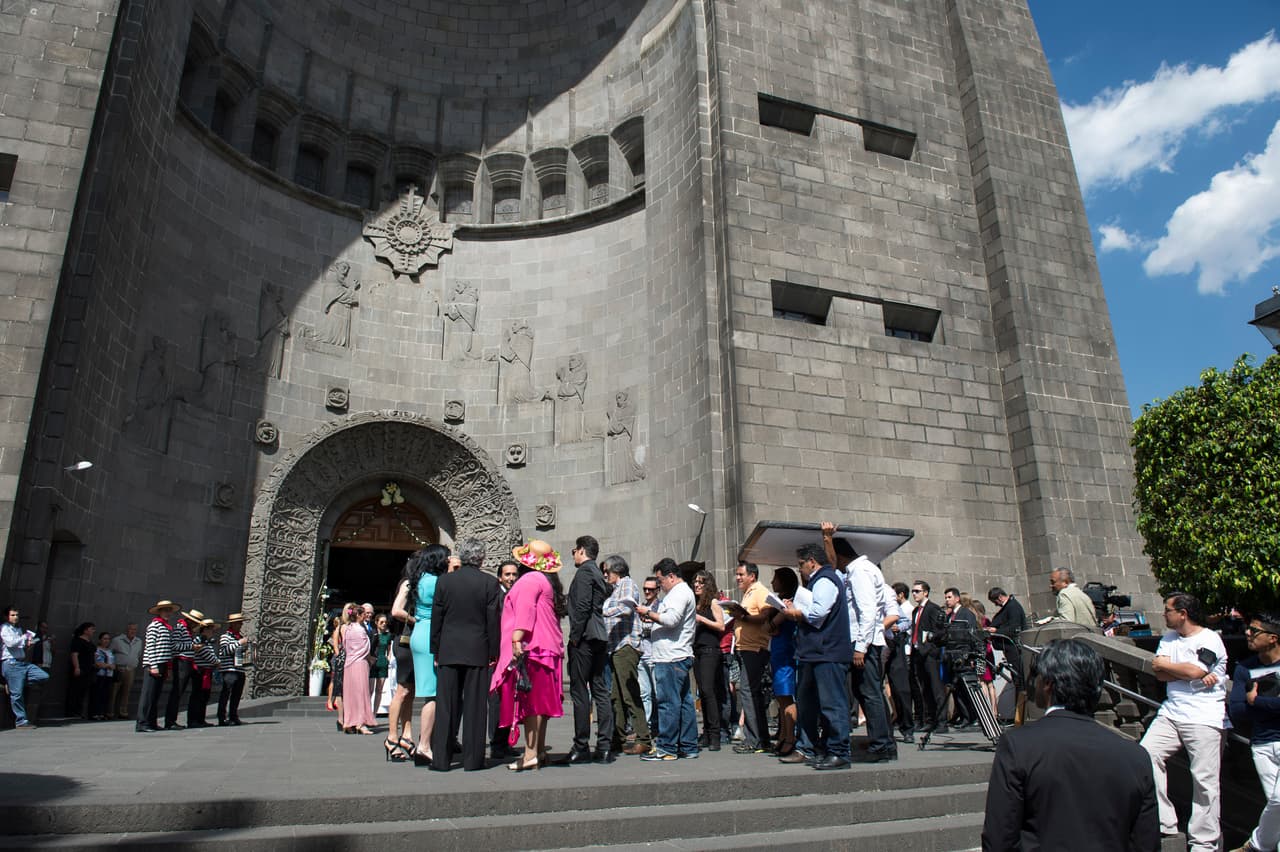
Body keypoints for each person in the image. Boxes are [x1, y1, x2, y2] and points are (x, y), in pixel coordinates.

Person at [981, 638, 1158, 852]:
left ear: (1048, 683)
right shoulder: (1135, 755)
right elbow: (1146, 843)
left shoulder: (1019, 745)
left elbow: (1000, 836)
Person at [1140, 592, 1227, 852]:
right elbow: (1160, 673)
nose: (1164, 614)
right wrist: (1185, 671)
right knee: (1146, 754)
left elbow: (1195, 670)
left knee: (1204, 780)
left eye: (1167, 610)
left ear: (1183, 613)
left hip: (1204, 717)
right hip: (1171, 713)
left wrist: (1176, 668)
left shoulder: (1210, 639)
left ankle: (1204, 842)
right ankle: (1164, 820)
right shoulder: (1168, 638)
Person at [492, 540, 567, 771]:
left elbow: (525, 611)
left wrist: (516, 638)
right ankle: (539, 751)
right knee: (540, 704)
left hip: (533, 647)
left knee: (530, 703)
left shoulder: (529, 580)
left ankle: (531, 753)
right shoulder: (546, 581)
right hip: (548, 647)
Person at [825, 523, 896, 762]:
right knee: (866, 692)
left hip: (864, 643)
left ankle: (881, 744)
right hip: (862, 642)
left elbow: (867, 612)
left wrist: (860, 648)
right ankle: (883, 742)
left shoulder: (860, 572)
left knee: (870, 693)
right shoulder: (856, 571)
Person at [429, 538, 501, 772]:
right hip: (477, 650)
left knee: (446, 706)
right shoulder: (490, 583)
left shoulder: (445, 582)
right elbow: (493, 621)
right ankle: (473, 760)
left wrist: (436, 648)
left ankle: (441, 759)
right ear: (481, 558)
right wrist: (494, 652)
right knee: (476, 707)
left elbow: (436, 618)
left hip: (449, 649)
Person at [780, 543, 852, 770]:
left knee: (832, 704)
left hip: (827, 652)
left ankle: (839, 751)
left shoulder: (825, 580)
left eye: (801, 564)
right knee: (808, 703)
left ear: (812, 561)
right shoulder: (817, 581)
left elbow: (818, 613)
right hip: (813, 653)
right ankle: (808, 747)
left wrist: (794, 613)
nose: (800, 569)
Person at [1228, 611, 1280, 852]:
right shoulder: (1245, 669)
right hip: (1262, 745)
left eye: (1255, 630)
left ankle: (1256, 845)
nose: (1247, 633)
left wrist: (1257, 701)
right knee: (1276, 806)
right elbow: (1237, 710)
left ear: (1273, 638)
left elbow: (1249, 704)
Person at [637, 558, 699, 761]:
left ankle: (667, 748)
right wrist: (653, 616)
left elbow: (671, 620)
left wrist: (649, 613)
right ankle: (688, 745)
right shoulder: (679, 593)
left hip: (671, 657)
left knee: (668, 703)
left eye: (660, 580)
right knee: (683, 702)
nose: (658, 585)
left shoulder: (679, 593)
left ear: (671, 576)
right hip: (675, 655)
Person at [566, 534, 613, 763]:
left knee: (580, 690)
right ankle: (604, 746)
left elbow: (583, 605)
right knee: (600, 689)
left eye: (574, 550)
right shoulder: (596, 572)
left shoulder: (585, 572)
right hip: (599, 635)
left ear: (582, 550)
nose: (573, 555)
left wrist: (574, 636)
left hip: (585, 636)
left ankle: (581, 746)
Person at [600, 554, 650, 756]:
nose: (605, 575)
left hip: (626, 645)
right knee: (616, 695)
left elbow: (627, 608)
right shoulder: (614, 589)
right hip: (615, 646)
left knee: (629, 693)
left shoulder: (627, 584)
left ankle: (643, 738)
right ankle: (618, 737)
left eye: (607, 571)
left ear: (617, 571)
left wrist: (604, 610)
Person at [408, 544, 450, 766]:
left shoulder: (420, 578)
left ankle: (426, 742)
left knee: (430, 692)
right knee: (432, 693)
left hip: (420, 631)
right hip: (430, 635)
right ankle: (424, 745)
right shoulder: (435, 582)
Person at [731, 561, 775, 755]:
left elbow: (765, 616)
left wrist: (743, 617)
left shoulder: (759, 591)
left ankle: (754, 739)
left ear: (752, 576)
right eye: (737, 575)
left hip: (755, 649)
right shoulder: (749, 593)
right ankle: (761, 738)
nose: (738, 578)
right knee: (752, 694)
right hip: (745, 648)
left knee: (749, 693)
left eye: (741, 574)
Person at [689, 570, 726, 752]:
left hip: (710, 650)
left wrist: (701, 619)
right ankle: (707, 732)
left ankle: (715, 734)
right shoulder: (696, 604)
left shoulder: (713, 602)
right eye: (695, 581)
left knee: (708, 690)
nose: (697, 585)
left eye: (701, 582)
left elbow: (721, 625)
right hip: (698, 651)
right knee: (702, 693)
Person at [386, 558, 418, 762]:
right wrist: (418, 621)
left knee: (411, 691)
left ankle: (407, 735)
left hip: (412, 643)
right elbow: (396, 610)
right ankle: (391, 737)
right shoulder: (407, 583)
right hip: (405, 642)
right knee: (402, 690)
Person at [490, 558, 521, 760]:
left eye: (514, 574)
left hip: (513, 653)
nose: (511, 578)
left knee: (509, 698)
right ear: (500, 576)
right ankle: (496, 742)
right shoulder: (496, 596)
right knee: (497, 700)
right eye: (507, 574)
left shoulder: (517, 594)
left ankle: (504, 740)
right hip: (498, 655)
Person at [768, 568, 800, 757]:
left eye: (775, 579)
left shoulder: (790, 602)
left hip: (787, 651)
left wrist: (778, 614)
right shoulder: (780, 604)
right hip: (778, 651)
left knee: (787, 696)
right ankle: (783, 735)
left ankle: (790, 737)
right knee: (781, 697)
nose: (772, 583)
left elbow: (772, 625)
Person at [137, 600, 181, 733]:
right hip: (154, 663)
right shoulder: (154, 626)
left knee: (155, 695)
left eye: (169, 611)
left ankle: (152, 722)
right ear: (159, 612)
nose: (168, 613)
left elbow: (170, 646)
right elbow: (150, 647)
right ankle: (142, 723)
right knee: (148, 694)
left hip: (163, 663)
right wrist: (153, 665)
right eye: (165, 610)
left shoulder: (167, 627)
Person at [2, 606, 49, 729]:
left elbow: (20, 646)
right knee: (17, 694)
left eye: (17, 615)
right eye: (12, 615)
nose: (15, 617)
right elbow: (10, 643)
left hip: (21, 663)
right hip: (11, 663)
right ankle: (21, 721)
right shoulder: (4, 628)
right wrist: (23, 638)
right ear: (6, 616)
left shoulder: (18, 629)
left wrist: (28, 643)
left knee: (43, 676)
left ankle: (13, 682)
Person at [164, 608, 204, 730]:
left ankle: (191, 719)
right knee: (177, 692)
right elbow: (174, 646)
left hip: (189, 662)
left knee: (188, 690)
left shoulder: (189, 631)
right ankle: (170, 721)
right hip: (181, 662)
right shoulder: (180, 627)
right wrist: (192, 646)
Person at [885, 582, 915, 743]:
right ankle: (884, 729)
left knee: (901, 688)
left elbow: (905, 621)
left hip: (893, 644)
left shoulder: (887, 594)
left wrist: (899, 628)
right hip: (875, 645)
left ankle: (907, 728)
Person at [340, 602, 375, 735]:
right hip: (360, 663)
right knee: (361, 693)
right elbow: (366, 648)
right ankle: (361, 722)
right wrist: (369, 658)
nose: (365, 616)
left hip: (349, 664)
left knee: (349, 694)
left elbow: (344, 645)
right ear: (359, 616)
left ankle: (349, 722)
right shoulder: (360, 630)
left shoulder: (347, 628)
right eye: (363, 614)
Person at [637, 576, 660, 740]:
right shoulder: (642, 607)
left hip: (655, 652)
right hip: (642, 652)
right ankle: (646, 729)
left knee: (658, 693)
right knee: (644, 693)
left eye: (650, 589)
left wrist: (649, 619)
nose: (646, 592)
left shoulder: (660, 607)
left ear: (657, 590)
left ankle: (659, 726)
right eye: (645, 589)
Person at [217, 612, 249, 726]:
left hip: (239, 669)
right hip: (229, 669)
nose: (240, 625)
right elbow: (225, 651)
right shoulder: (225, 637)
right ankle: (222, 717)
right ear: (232, 624)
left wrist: (245, 647)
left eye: (240, 623)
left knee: (236, 694)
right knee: (226, 694)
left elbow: (238, 651)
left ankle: (233, 716)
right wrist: (239, 643)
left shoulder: (238, 636)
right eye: (238, 623)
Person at [187, 617, 220, 728]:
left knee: (204, 696)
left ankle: (200, 719)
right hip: (200, 671)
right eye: (210, 629)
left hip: (207, 671)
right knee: (197, 696)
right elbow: (207, 655)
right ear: (204, 630)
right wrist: (217, 662)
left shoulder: (206, 641)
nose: (212, 632)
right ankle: (193, 720)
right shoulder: (199, 640)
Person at [109, 623, 142, 720]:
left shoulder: (138, 641)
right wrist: (113, 665)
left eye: (135, 629)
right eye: (131, 629)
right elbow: (110, 652)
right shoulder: (117, 640)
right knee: (113, 691)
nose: (133, 631)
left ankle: (123, 711)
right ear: (126, 630)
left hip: (130, 669)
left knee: (126, 692)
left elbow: (138, 654)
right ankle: (110, 712)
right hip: (119, 668)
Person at [66, 621, 96, 719]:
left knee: (83, 691)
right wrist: (77, 667)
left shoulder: (90, 643)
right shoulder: (78, 641)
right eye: (91, 629)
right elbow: (74, 654)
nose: (93, 631)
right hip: (80, 668)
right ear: (86, 630)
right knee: (75, 690)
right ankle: (71, 711)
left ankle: (79, 711)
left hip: (89, 669)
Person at [370, 613, 391, 717]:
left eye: (385, 622)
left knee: (379, 690)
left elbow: (389, 647)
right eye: (381, 622)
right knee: (369, 689)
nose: (384, 624)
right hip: (372, 662)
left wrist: (389, 657)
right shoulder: (372, 633)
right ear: (376, 623)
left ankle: (374, 714)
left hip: (382, 661)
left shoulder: (387, 635)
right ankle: (367, 713)